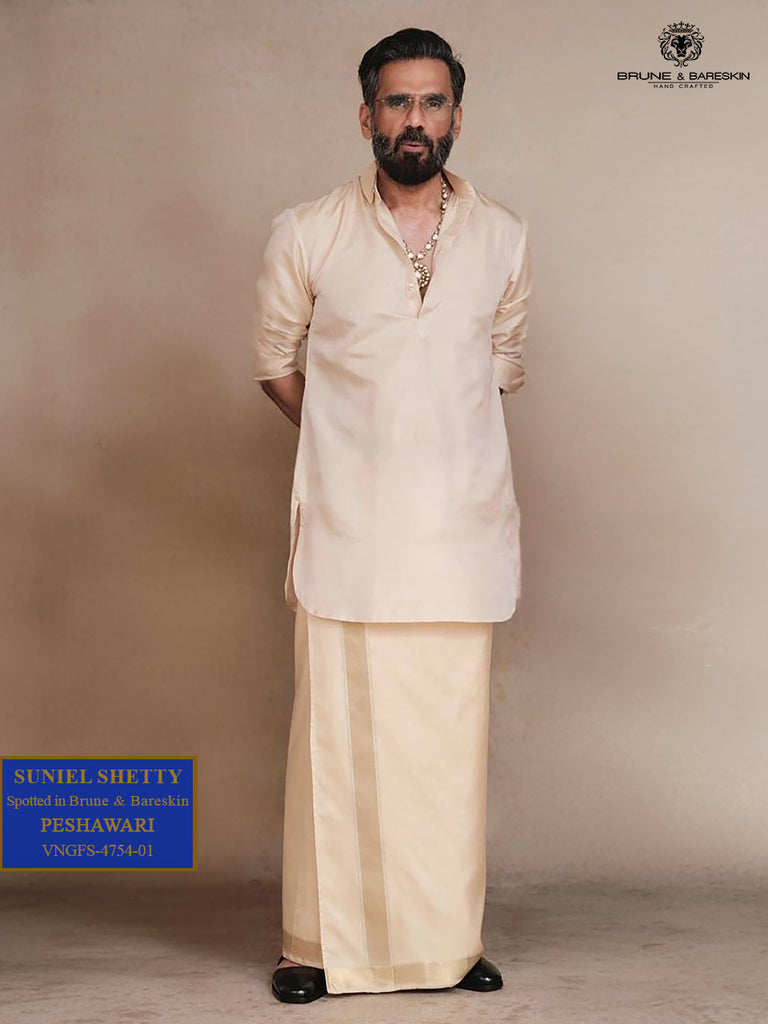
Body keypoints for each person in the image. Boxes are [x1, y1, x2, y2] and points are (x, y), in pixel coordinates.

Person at [252, 27, 533, 1003]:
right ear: (366, 114)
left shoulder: (504, 235)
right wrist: (350, 440)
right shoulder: (307, 231)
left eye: (433, 102)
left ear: (456, 114)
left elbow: (501, 363)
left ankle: (446, 945)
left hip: (460, 534)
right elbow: (275, 360)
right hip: (349, 531)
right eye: (398, 102)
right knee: (335, 747)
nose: (416, 119)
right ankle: (312, 948)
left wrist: (429, 438)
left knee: (445, 753)